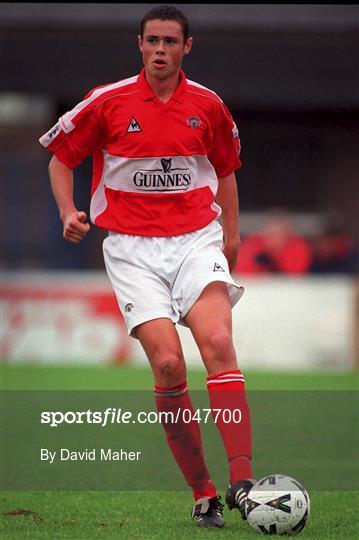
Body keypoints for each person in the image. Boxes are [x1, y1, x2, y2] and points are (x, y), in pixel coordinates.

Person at [40, 5, 255, 528]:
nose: (161, 49)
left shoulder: (208, 105)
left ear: (187, 47)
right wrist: (69, 212)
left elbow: (226, 171)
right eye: (152, 40)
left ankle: (243, 482)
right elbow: (60, 157)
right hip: (132, 249)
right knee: (167, 365)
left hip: (194, 241)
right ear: (140, 45)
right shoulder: (108, 102)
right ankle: (203, 492)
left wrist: (230, 233)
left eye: (170, 41)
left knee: (219, 344)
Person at [235, 212, 312, 275]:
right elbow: (243, 273)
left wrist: (275, 256)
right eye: (271, 233)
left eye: (279, 233)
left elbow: (295, 275)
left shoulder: (298, 248)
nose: (274, 237)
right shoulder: (252, 245)